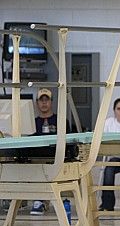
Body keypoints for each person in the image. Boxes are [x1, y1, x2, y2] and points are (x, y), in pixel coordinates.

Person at [30, 88, 70, 216]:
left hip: (55, 156)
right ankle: (40, 200)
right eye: (41, 100)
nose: (44, 103)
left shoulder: (62, 121)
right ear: (37, 103)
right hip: (37, 156)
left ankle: (44, 200)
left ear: (51, 102)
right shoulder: (31, 123)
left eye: (47, 100)